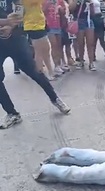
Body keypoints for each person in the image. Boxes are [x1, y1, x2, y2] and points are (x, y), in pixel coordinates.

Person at [0, 1, 71, 129]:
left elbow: (21, 14)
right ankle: (12, 113)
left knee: (34, 71)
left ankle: (55, 98)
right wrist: (6, 23)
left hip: (16, 39)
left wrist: (12, 25)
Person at [23, 0, 59, 80]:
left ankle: (50, 72)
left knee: (45, 49)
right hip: (33, 25)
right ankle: (41, 74)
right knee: (39, 51)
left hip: (39, 25)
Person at [69, 0, 96, 71]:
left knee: (90, 43)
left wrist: (91, 4)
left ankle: (91, 62)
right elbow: (71, 9)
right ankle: (81, 61)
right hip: (79, 21)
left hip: (88, 21)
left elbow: (93, 13)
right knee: (80, 43)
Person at [43, 0, 69, 72]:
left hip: (58, 25)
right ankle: (56, 65)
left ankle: (60, 64)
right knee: (54, 45)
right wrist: (47, 4)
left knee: (59, 45)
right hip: (49, 26)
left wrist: (61, 9)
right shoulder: (45, 1)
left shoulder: (59, 1)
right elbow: (42, 11)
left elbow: (64, 12)